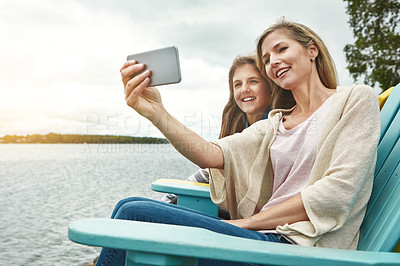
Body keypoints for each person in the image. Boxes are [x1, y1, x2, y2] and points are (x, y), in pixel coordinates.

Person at [96, 18, 380, 266]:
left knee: (134, 214)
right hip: (262, 240)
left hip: (297, 250)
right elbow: (210, 154)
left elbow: (336, 193)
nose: (273, 62)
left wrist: (244, 224)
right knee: (128, 205)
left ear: (312, 50)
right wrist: (155, 112)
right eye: (267, 59)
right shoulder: (275, 123)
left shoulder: (354, 100)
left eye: (281, 49)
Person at [161, 55, 271, 205]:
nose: (244, 89)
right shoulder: (236, 125)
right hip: (230, 204)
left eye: (253, 81)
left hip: (247, 214)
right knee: (137, 205)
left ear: (270, 86)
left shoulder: (271, 127)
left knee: (134, 209)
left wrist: (157, 112)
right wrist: (170, 198)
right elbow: (210, 171)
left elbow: (208, 157)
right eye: (237, 84)